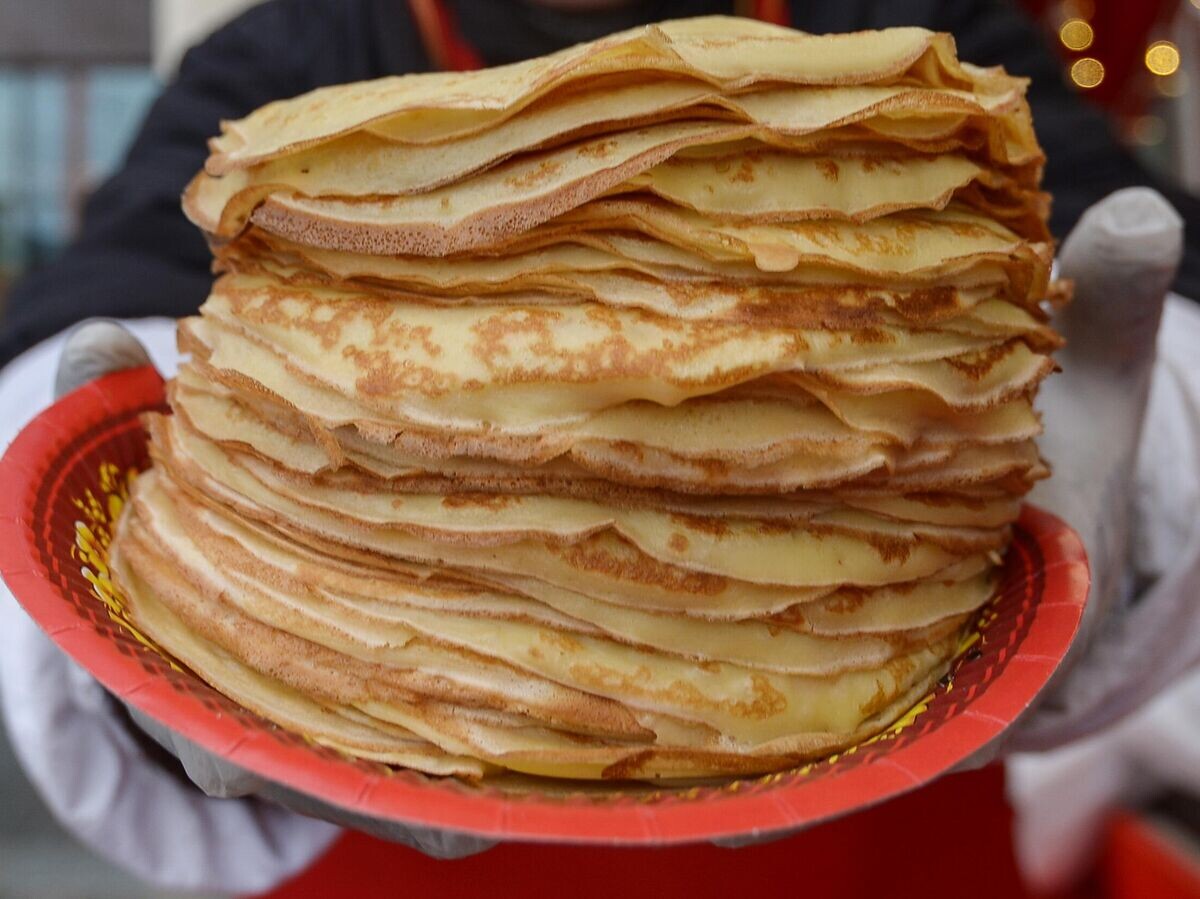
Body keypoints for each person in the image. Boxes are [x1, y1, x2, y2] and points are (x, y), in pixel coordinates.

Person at [0, 2, 1197, 896]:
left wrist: (1138, 481)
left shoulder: (903, 38)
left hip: (884, 807)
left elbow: (1144, 282)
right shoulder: (295, 51)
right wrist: (183, 625)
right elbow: (103, 307)